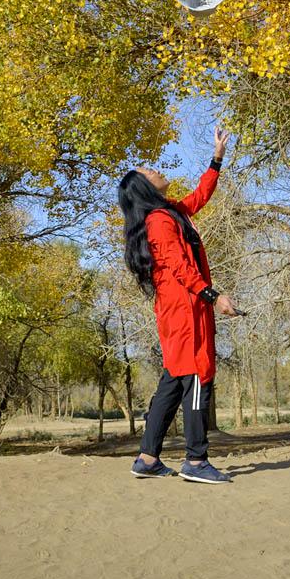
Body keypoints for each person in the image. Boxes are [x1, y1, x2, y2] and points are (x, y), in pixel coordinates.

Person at [120, 130, 238, 485]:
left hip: (181, 309)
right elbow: (178, 266)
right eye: (149, 170)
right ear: (145, 187)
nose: (156, 169)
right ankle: (196, 461)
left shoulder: (169, 212)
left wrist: (216, 158)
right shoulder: (158, 222)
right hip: (185, 310)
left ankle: (147, 458)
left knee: (173, 380)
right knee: (199, 374)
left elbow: (200, 196)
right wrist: (213, 297)